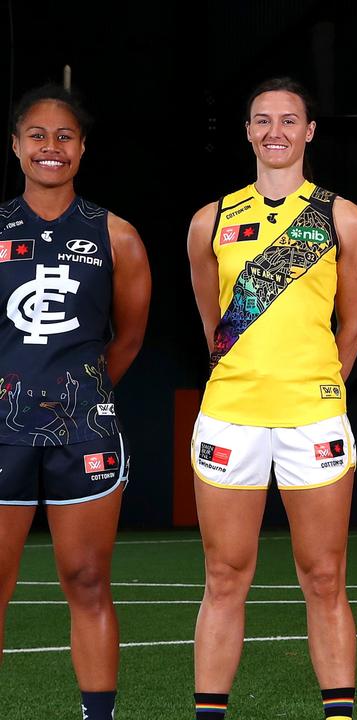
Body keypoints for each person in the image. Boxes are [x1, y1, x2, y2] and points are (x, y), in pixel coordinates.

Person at [186, 77, 357, 720]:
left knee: (324, 578)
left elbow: (353, 325)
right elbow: (214, 317)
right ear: (247, 131)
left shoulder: (343, 218)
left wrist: (320, 383)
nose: (276, 132)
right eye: (262, 120)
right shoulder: (210, 219)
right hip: (231, 415)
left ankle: (338, 714)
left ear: (309, 131)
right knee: (224, 577)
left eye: (289, 120)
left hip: (312, 416)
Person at [0, 84, 150, 720]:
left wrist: (77, 390)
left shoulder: (116, 236)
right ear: (16, 146)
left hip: (82, 429)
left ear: (83, 149)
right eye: (37, 135)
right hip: (2, 430)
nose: (50, 147)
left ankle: (98, 715)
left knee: (87, 581)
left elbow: (130, 335)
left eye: (64, 136)